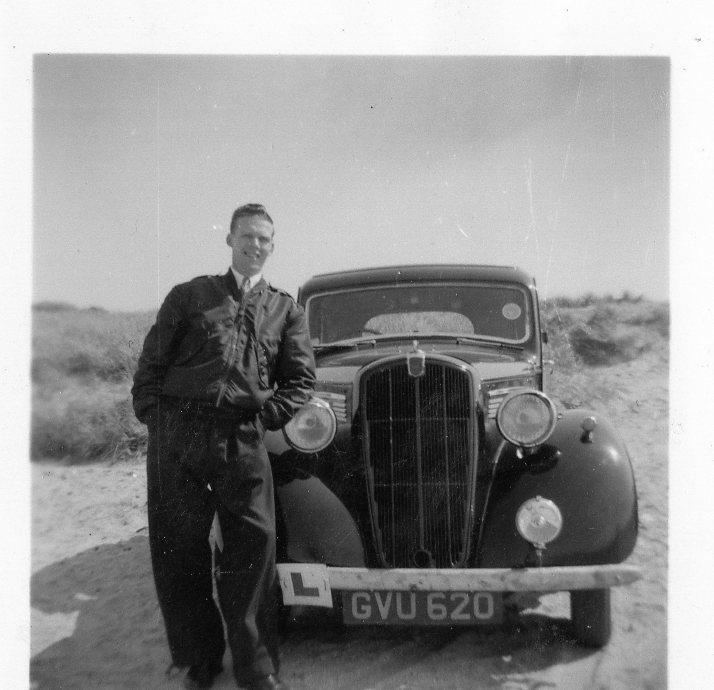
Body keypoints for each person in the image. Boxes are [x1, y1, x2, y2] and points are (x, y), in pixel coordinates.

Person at [132, 203, 315, 689]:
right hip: (180, 437)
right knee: (180, 550)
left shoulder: (285, 309)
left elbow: (300, 381)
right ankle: (200, 661)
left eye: (265, 240)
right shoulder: (190, 295)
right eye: (248, 237)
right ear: (230, 239)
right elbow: (151, 365)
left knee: (254, 549)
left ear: (272, 248)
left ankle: (256, 668)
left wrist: (262, 419)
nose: (256, 246)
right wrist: (156, 418)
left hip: (242, 438)